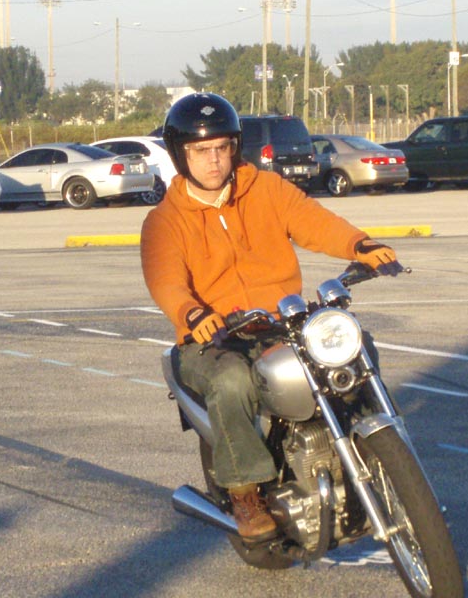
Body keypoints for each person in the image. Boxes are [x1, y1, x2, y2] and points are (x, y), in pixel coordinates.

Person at [140, 92, 400, 543]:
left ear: (235, 147)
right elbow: (165, 279)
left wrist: (359, 245)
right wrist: (191, 311)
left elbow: (314, 221)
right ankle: (245, 494)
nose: (214, 160)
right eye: (201, 151)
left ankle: (378, 453)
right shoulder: (165, 220)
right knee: (231, 381)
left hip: (279, 320)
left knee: (353, 347)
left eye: (222, 148)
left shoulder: (265, 189)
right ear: (181, 156)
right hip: (213, 336)